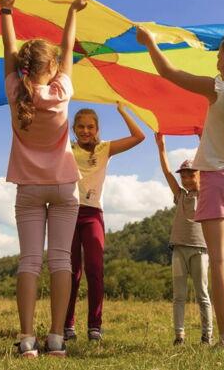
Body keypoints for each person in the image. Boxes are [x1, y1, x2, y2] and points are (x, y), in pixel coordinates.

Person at [136, 26, 224, 353]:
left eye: (221, 54)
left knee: (220, 259)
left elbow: (168, 71)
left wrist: (151, 43)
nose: (217, 59)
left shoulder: (218, 88)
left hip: (217, 176)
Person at [0, 0, 89, 358]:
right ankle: (55, 338)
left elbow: (8, 51)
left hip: (28, 189)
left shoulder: (14, 91)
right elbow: (69, 49)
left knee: (30, 261)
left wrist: (6, 10)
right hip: (65, 186)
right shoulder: (62, 92)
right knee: (61, 261)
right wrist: (73, 12)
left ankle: (25, 339)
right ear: (51, 69)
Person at [64, 105, 145, 342]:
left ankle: (94, 326)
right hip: (68, 212)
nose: (86, 130)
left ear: (97, 129)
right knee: (70, 272)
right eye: (81, 126)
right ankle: (67, 324)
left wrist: (122, 110)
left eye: (90, 126)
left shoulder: (104, 149)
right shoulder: (66, 148)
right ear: (74, 128)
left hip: (92, 215)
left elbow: (139, 137)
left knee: (95, 270)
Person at [154, 134, 212, 346]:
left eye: (191, 175)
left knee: (202, 294)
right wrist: (161, 148)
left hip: (200, 250)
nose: (187, 179)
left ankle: (207, 335)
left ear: (199, 175)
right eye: (184, 176)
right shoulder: (180, 195)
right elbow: (167, 172)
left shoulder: (206, 193)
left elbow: (209, 164)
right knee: (179, 296)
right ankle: (179, 335)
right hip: (178, 250)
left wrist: (203, 141)